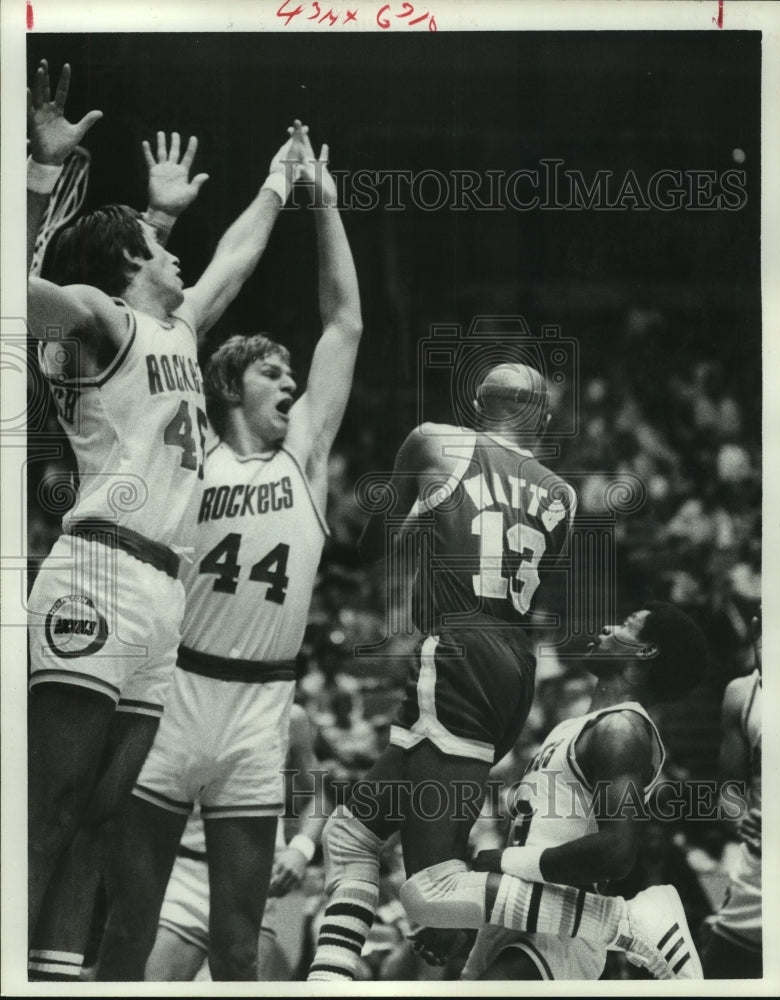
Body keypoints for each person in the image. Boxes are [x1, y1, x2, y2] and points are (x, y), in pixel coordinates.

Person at [25, 57, 306, 979]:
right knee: (50, 806)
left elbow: (231, 257)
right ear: (128, 264)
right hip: (99, 571)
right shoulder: (99, 317)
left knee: (104, 815)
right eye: (154, 242)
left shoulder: (177, 331)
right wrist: (38, 175)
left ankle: (58, 976)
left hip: (162, 597)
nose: (173, 247)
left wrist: (279, 180)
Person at [95, 133, 363, 980]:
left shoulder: (305, 460)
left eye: (292, 374)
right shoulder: (189, 453)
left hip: (261, 709)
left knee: (241, 944)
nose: (290, 383)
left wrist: (320, 197)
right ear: (228, 387)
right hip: (177, 689)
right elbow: (191, 300)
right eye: (272, 374)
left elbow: (345, 320)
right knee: (129, 929)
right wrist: (167, 216)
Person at [308, 360, 578, 980]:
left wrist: (411, 518)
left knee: (434, 894)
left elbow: (373, 544)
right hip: (514, 662)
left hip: (457, 650)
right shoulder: (563, 494)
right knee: (350, 833)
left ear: (479, 406)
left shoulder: (435, 439)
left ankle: (624, 925)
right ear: (541, 416)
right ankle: (330, 980)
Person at [460, 602, 708, 981]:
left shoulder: (622, 730)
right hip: (520, 909)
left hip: (560, 929)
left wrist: (507, 861)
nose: (606, 626)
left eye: (625, 624)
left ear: (646, 651)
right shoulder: (573, 728)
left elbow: (618, 852)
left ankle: (639, 923)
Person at [143, 704, 326, 982]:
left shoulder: (290, 714)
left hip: (254, 879)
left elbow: (320, 797)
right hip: (186, 874)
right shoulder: (177, 701)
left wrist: (300, 850)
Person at [700, 615, 761, 978]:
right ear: (755, 628)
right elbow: (727, 794)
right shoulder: (742, 693)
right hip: (755, 882)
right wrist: (742, 819)